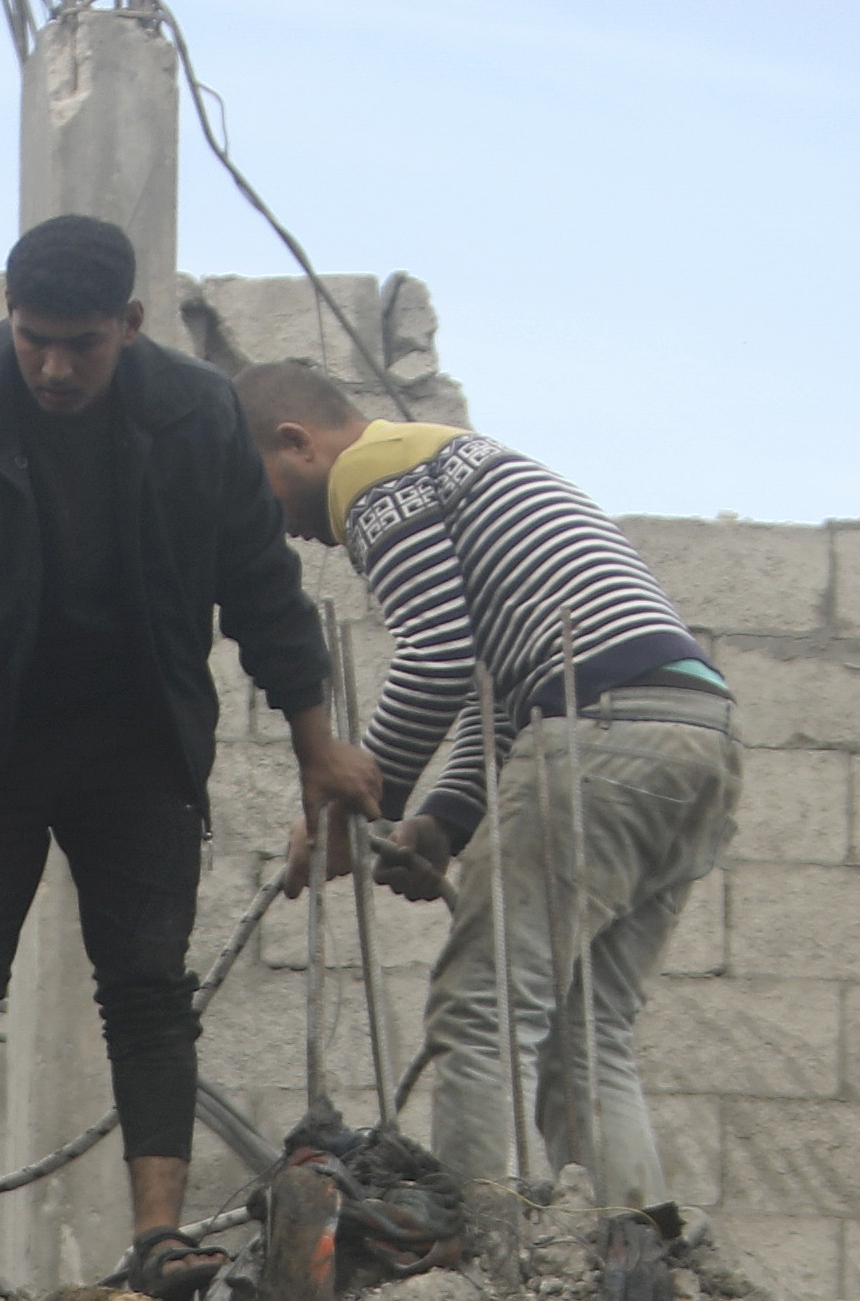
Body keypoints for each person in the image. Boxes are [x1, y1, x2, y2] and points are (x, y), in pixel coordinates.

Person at [0, 214, 373, 1301]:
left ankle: (158, 1236)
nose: (55, 365)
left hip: (137, 737)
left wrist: (319, 743)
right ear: (10, 319)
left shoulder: (196, 417)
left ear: (129, 323)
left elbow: (260, 588)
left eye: (81, 342)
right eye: (36, 339)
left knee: (147, 988)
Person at [240, 357, 740, 1222]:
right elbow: (494, 685)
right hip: (694, 732)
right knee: (590, 1037)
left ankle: (482, 1253)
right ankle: (633, 1257)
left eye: (266, 489)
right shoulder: (448, 461)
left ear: (298, 443)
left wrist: (353, 802)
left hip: (601, 734)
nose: (279, 525)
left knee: (481, 1011)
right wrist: (445, 819)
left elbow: (434, 663)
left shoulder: (374, 474)